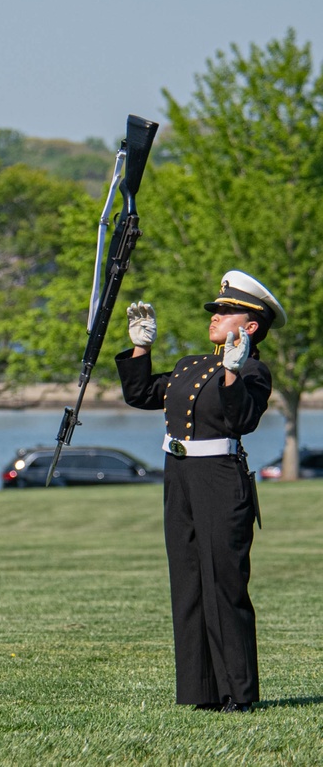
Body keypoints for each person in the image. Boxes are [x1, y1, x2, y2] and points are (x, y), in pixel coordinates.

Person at [115, 270, 286, 714]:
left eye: (226, 311)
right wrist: (141, 349)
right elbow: (142, 394)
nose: (215, 316)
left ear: (250, 327)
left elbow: (241, 420)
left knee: (224, 584)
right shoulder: (193, 364)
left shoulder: (253, 371)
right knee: (188, 582)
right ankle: (202, 691)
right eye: (215, 309)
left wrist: (232, 376)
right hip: (179, 477)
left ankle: (239, 693)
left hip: (219, 479)